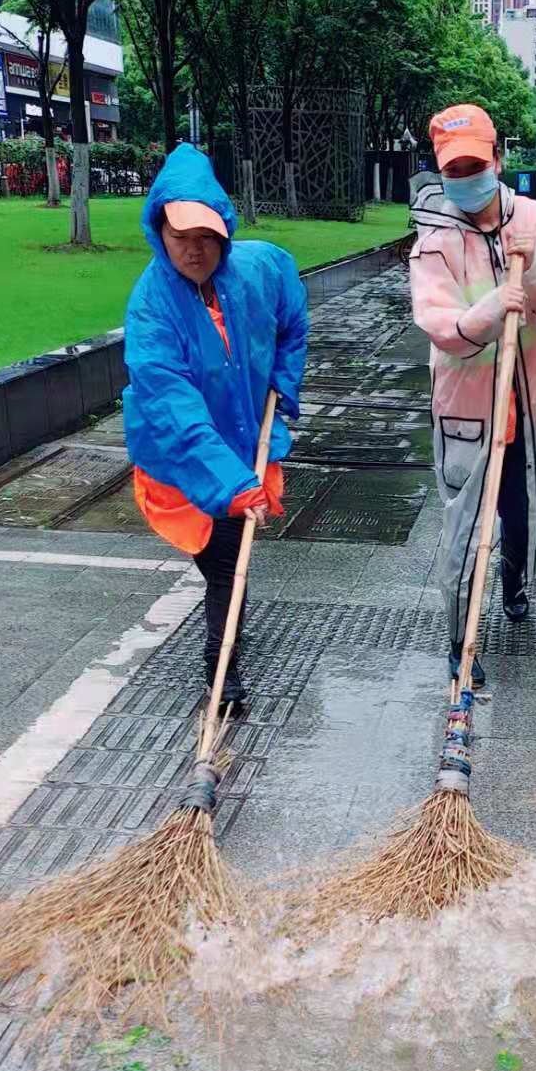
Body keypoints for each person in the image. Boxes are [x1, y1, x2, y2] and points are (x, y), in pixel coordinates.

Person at [124, 142, 308, 712]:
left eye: (206, 235)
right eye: (181, 236)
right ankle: (222, 667)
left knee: (230, 561)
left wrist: (284, 376)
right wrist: (230, 484)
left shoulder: (256, 269)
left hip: (244, 439)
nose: (195, 249)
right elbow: (174, 407)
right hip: (179, 457)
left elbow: (291, 318)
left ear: (225, 231)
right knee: (224, 560)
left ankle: (221, 675)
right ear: (160, 230)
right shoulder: (152, 307)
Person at [409, 104, 536, 685]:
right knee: (466, 529)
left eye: (475, 164)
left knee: (528, 513)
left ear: (499, 158)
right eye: (454, 168)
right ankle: (461, 639)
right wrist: (490, 311)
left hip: (535, 409)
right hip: (470, 414)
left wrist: (533, 268)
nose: (466, 177)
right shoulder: (435, 239)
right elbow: (440, 324)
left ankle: (516, 584)